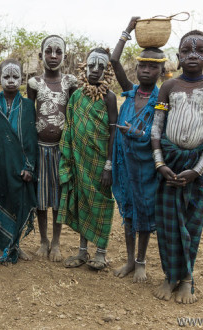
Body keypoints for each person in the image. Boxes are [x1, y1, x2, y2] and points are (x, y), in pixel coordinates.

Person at [151, 30, 203, 304]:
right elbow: (157, 127)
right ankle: (170, 276)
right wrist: (159, 163)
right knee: (168, 223)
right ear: (178, 58)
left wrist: (198, 169)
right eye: (187, 51)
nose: (193, 55)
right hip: (168, 162)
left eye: (200, 50)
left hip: (198, 166)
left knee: (192, 223)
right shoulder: (168, 87)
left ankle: (187, 280)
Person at [110, 17, 165, 282]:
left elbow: (161, 136)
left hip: (146, 166)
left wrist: (139, 134)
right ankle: (130, 260)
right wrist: (127, 30)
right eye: (142, 65)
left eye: (153, 68)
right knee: (128, 213)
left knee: (144, 212)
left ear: (161, 72)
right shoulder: (129, 92)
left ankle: (142, 262)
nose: (146, 70)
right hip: (124, 164)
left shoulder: (161, 100)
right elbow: (113, 61)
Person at [58, 48, 118, 270]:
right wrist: (69, 159)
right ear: (85, 67)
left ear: (107, 70)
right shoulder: (76, 96)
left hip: (100, 162)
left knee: (101, 203)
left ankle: (101, 253)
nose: (95, 70)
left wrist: (109, 166)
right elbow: (70, 128)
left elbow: (113, 132)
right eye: (91, 65)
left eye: (100, 66)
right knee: (82, 201)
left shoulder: (110, 98)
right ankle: (82, 252)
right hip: (79, 160)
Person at [26, 35, 77, 262]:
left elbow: (73, 115)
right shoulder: (34, 83)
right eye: (49, 51)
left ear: (65, 56)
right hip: (39, 148)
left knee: (57, 196)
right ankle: (43, 240)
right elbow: (29, 116)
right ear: (41, 55)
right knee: (40, 196)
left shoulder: (70, 83)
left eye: (58, 51)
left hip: (61, 150)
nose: (53, 56)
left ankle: (56, 242)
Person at [0, 59, 38, 264]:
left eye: (16, 77)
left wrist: (29, 167)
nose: (11, 81)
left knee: (19, 203)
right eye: (7, 76)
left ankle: (15, 244)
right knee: (1, 199)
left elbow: (30, 140)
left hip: (21, 167)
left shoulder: (27, 106)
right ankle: (0, 244)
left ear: (22, 79)